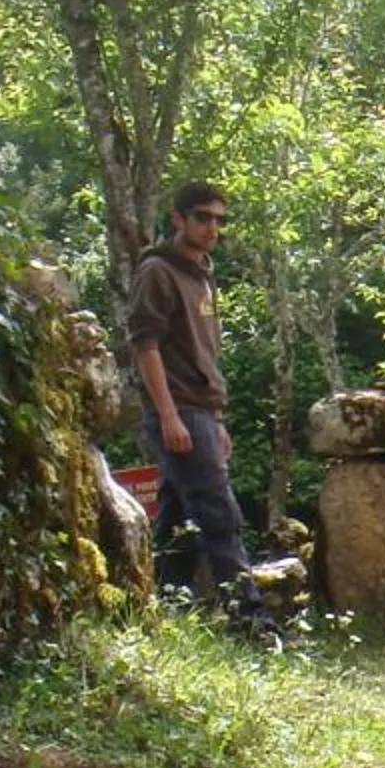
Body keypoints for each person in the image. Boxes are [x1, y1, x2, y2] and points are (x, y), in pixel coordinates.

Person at [125, 181, 249, 606]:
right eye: (202, 217)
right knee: (219, 516)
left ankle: (167, 607)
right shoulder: (158, 271)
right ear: (178, 218)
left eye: (219, 220)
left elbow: (203, 353)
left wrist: (217, 419)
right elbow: (145, 345)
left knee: (178, 518)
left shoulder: (204, 273)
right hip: (179, 409)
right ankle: (252, 620)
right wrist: (168, 415)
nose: (212, 227)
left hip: (203, 410)